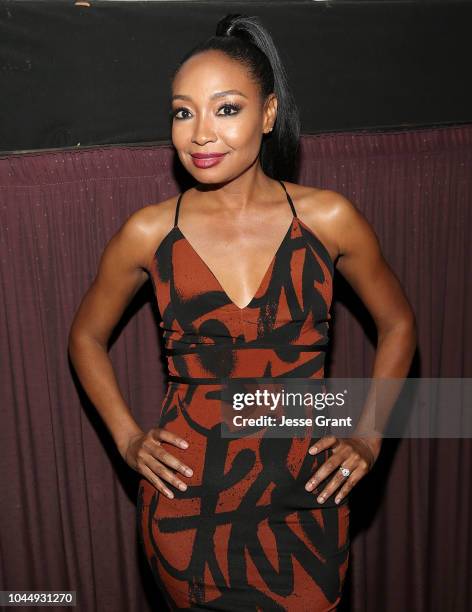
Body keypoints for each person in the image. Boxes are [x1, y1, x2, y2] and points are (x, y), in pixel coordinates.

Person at [68, 13, 416, 611]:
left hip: (306, 501)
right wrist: (129, 442)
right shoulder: (150, 233)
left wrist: (369, 434)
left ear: (270, 113)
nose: (201, 133)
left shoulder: (328, 219)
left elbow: (399, 323)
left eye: (226, 109)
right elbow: (85, 338)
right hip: (187, 509)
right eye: (183, 112)